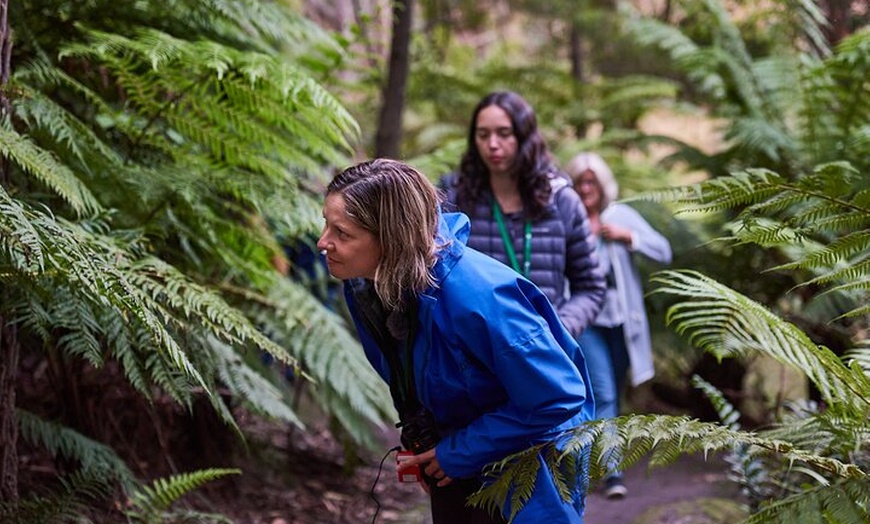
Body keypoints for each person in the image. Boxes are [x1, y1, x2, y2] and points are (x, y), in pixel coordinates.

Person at [316, 158, 596, 523]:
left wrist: (458, 453)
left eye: (342, 233)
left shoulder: (480, 298)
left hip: (529, 475)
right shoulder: (372, 287)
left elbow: (558, 396)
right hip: (458, 460)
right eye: (326, 224)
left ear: (391, 238)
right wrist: (427, 444)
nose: (324, 242)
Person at [440, 90, 605, 349]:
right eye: (483, 135)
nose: (493, 144)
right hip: (477, 352)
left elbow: (591, 287)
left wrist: (559, 330)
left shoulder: (561, 201)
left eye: (504, 133)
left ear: (524, 136)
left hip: (544, 349)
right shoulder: (455, 200)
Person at [565, 152, 673, 499]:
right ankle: (608, 473)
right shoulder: (569, 219)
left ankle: (594, 461)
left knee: (614, 394)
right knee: (603, 392)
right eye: (579, 182)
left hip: (623, 322)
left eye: (591, 181)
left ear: (602, 185)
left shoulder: (620, 215)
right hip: (588, 322)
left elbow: (664, 251)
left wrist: (629, 237)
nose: (585, 189)